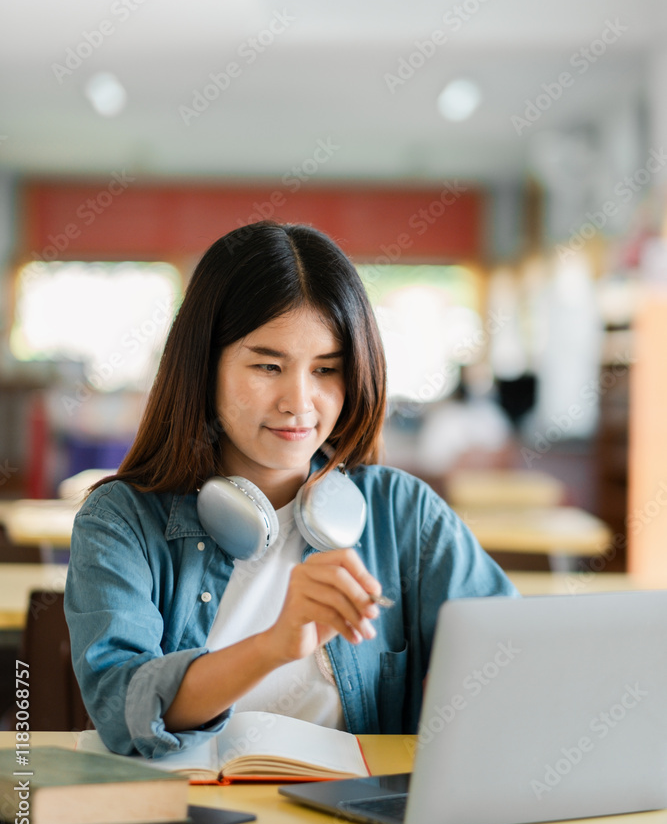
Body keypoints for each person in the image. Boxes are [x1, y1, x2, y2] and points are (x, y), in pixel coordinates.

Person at [64, 221, 519, 759]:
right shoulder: (120, 520)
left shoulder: (403, 513)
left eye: (326, 369)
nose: (299, 402)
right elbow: (121, 707)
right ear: (204, 367)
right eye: (268, 366)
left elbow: (513, 661)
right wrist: (274, 645)